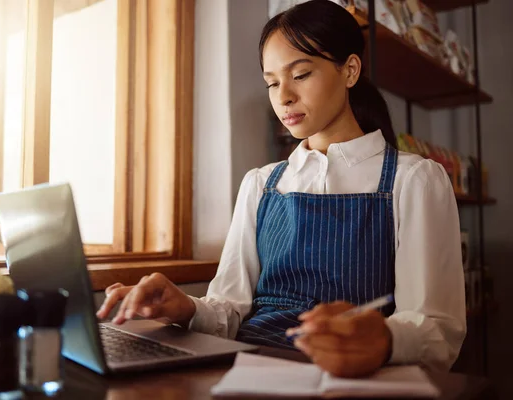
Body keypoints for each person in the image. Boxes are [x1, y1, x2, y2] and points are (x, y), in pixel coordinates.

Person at [96, 0, 466, 378]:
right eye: (272, 82)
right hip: (249, 368)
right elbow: (230, 310)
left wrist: (384, 337)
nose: (283, 96)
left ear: (350, 70)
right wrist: (187, 308)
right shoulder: (261, 183)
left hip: (349, 377)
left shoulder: (413, 180)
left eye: (301, 74)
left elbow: (438, 330)